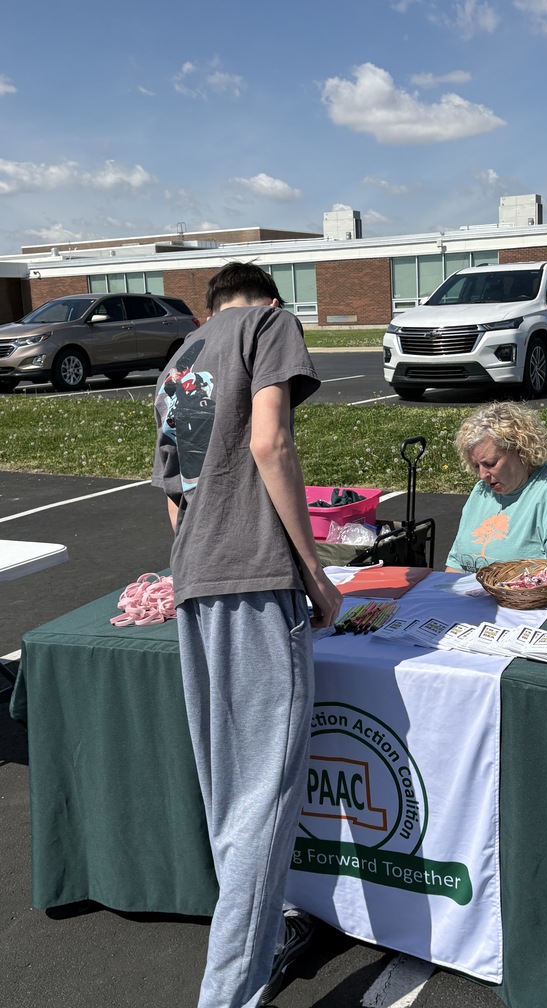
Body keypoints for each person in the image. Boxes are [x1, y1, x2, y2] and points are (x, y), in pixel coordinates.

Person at [152, 261, 343, 1008]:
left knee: (232, 797)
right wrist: (314, 571)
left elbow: (174, 492)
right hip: (255, 580)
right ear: (267, 298)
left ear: (210, 305)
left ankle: (246, 965)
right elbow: (271, 444)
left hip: (195, 580)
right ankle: (228, 994)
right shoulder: (268, 324)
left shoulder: (179, 360)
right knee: (264, 799)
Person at [445, 401, 547, 576]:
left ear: (520, 450)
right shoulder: (482, 491)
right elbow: (455, 566)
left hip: (528, 602)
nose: (482, 475)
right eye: (476, 466)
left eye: (490, 464)